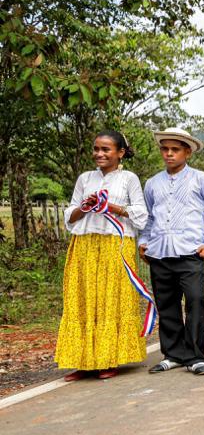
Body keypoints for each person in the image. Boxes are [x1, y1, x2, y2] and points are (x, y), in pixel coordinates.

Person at [56, 130, 150, 381]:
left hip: (115, 245)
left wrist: (112, 207)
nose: (99, 154)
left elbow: (140, 215)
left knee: (111, 298)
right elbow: (71, 215)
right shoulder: (85, 178)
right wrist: (85, 207)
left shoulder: (129, 179)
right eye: (96, 149)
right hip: (85, 244)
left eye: (106, 149)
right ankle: (83, 360)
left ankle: (109, 358)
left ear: (120, 153)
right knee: (84, 298)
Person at [140, 127, 204, 376]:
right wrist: (144, 241)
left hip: (190, 252)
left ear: (187, 152)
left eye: (175, 149)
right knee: (166, 304)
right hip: (159, 253)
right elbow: (148, 217)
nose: (169, 154)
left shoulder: (202, 179)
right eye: (165, 149)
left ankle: (196, 355)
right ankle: (173, 354)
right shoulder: (153, 183)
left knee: (196, 301)